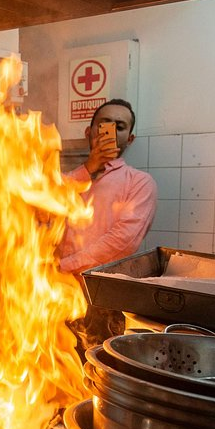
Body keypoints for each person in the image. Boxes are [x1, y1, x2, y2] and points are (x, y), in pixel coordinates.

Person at [58, 98, 158, 350]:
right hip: (54, 290)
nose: (111, 130)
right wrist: (89, 167)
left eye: (120, 126)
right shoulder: (66, 181)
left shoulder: (139, 182)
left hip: (101, 297)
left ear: (130, 138)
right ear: (89, 132)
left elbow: (122, 242)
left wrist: (65, 266)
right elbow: (40, 208)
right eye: (104, 124)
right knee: (48, 367)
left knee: (92, 369)